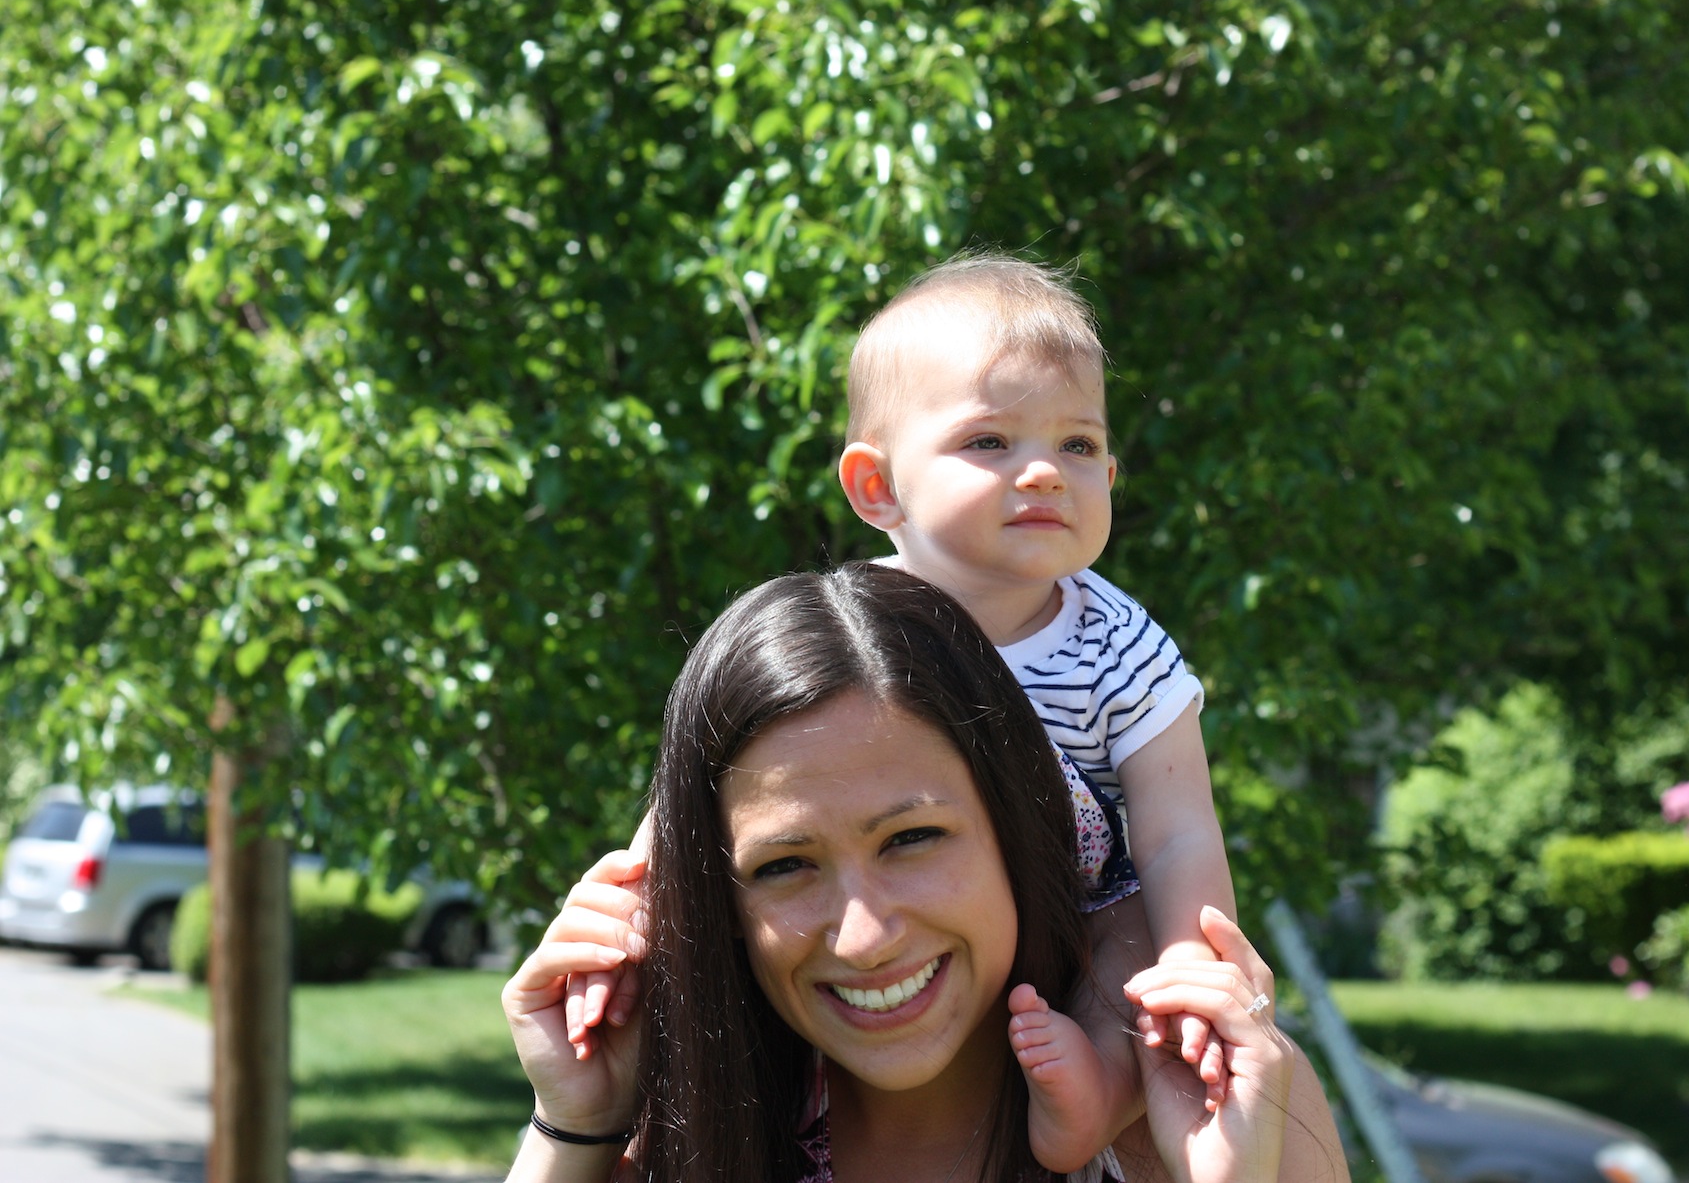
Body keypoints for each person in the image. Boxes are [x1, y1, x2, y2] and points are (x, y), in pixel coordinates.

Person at [504, 563, 1345, 1183]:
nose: (865, 936)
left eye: (912, 839)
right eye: (786, 864)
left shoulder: (1212, 1110)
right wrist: (576, 1123)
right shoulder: (685, 1143)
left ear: (1017, 834)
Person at [836, 253, 1238, 1170]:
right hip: (901, 912)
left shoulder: (1117, 642)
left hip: (1079, 907)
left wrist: (1195, 962)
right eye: (990, 442)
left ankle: (1098, 1089)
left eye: (1079, 446)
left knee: (1137, 946)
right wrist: (643, 886)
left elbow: (1177, 830)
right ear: (878, 487)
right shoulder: (847, 628)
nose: (1047, 472)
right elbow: (734, 776)